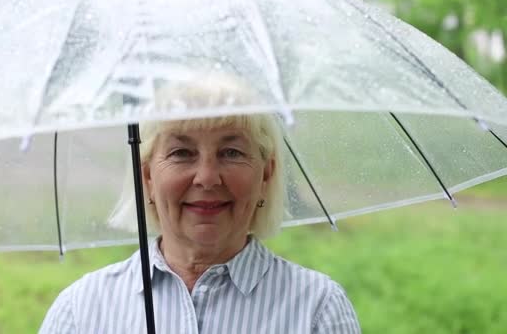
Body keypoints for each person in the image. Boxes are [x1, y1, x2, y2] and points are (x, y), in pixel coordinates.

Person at [40, 74, 361, 333]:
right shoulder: (81, 312)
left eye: (231, 152)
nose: (207, 177)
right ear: (148, 176)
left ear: (266, 174)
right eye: (182, 153)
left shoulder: (318, 310)